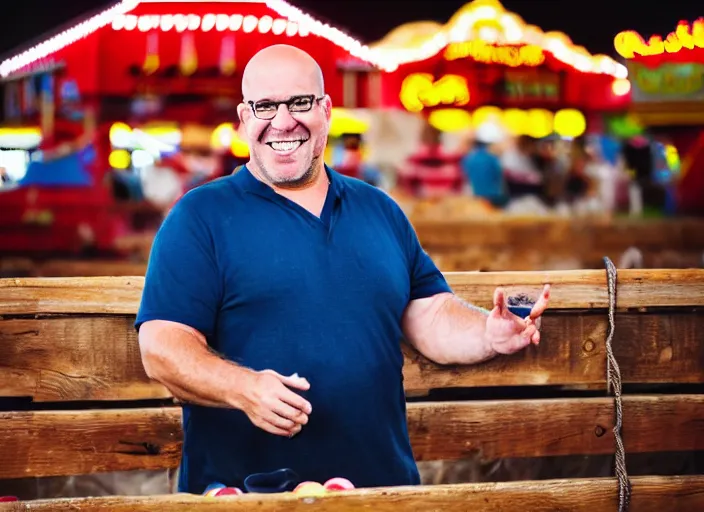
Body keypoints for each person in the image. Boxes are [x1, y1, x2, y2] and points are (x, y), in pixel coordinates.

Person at [135, 44, 551, 495]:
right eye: (265, 106)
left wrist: (489, 333)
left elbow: (428, 313)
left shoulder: (379, 210)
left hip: (380, 492)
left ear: (326, 110)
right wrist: (244, 388)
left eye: (299, 102)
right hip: (246, 495)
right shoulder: (200, 216)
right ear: (244, 116)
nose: (283, 121)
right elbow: (161, 347)